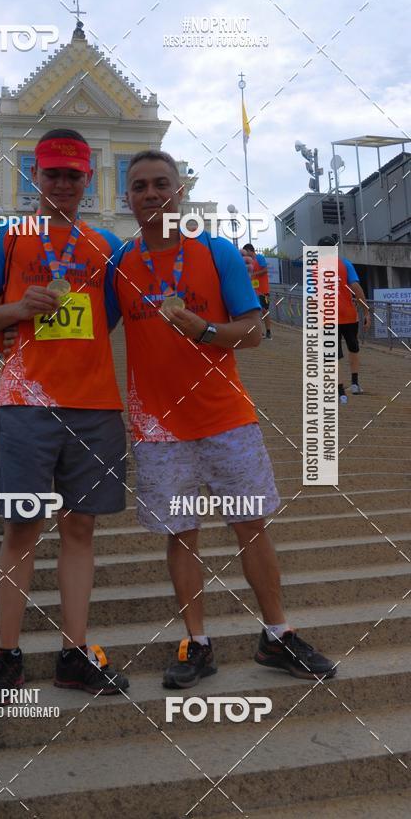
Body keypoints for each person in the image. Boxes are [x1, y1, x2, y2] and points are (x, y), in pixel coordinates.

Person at [107, 150, 336, 688]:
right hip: (158, 428)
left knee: (249, 526)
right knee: (182, 534)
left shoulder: (217, 251)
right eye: (139, 186)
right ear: (128, 198)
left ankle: (277, 634)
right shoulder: (120, 263)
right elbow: (92, 330)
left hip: (226, 417)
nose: (150, 194)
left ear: (179, 190)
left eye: (161, 183)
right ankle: (197, 642)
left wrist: (204, 330)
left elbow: (255, 330)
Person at [0, 128, 129, 697]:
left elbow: (108, 319)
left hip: (94, 403)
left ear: (87, 179)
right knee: (21, 526)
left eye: (72, 174)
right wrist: (17, 308)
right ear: (37, 176)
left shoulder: (106, 245)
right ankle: (7, 653)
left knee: (79, 528)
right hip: (27, 403)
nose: (62, 182)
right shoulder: (7, 239)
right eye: (52, 172)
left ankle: (74, 652)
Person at [317, 236, 371, 404]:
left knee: (332, 357)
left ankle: (341, 393)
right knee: (353, 348)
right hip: (349, 316)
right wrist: (366, 311)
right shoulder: (345, 264)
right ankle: (355, 384)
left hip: (327, 318)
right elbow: (356, 288)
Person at [242, 243, 272, 339]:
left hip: (263, 290)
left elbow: (265, 270)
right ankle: (260, 332)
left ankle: (268, 332)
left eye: (246, 253)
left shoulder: (259, 257)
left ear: (250, 251)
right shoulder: (250, 262)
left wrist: (254, 273)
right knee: (256, 312)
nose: (246, 255)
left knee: (265, 311)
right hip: (254, 291)